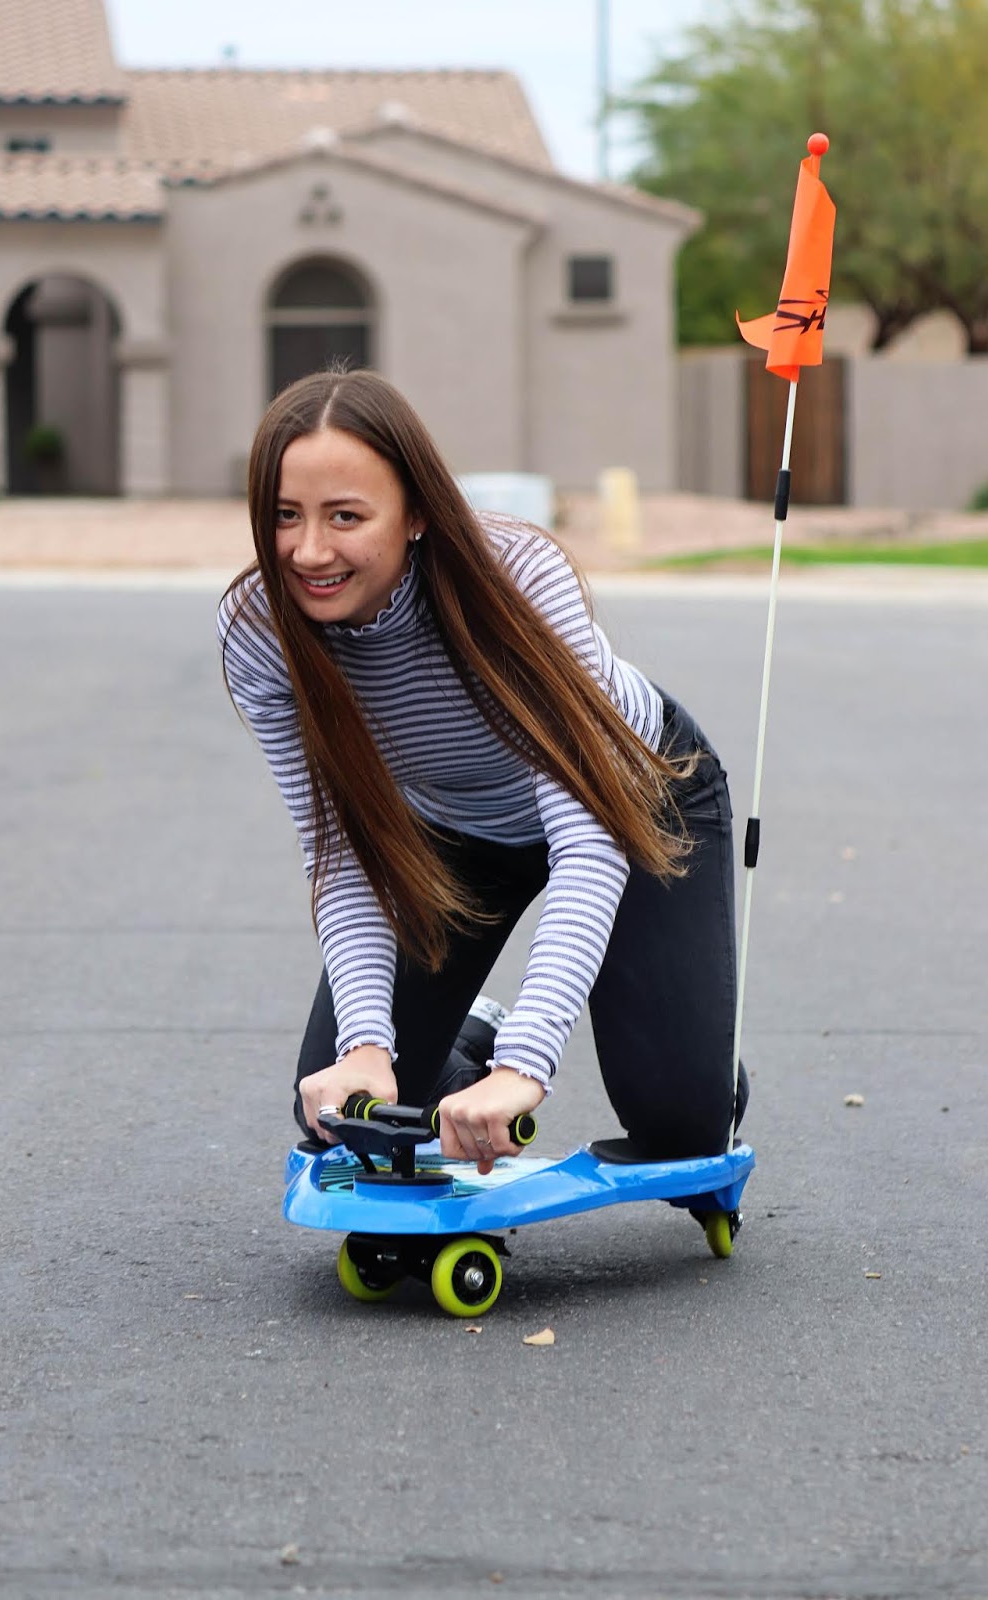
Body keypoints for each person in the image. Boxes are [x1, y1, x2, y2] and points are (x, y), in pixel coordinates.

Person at [219, 369, 747, 1175]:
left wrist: (523, 1066)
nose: (310, 550)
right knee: (343, 1105)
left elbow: (588, 840)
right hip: (457, 829)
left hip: (636, 803)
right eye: (285, 515)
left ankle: (691, 1055)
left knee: (680, 1126)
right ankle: (468, 1040)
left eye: (346, 516)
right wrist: (365, 1045)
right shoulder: (259, 632)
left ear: (417, 513)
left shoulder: (518, 577)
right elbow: (341, 854)